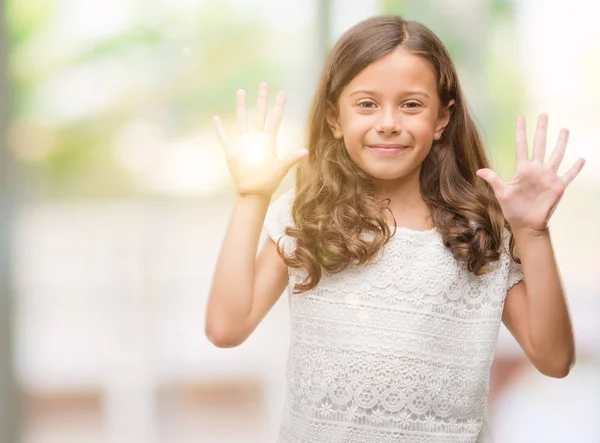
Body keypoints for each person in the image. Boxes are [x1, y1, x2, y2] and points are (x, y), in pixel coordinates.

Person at [205, 15, 584, 443]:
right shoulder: (306, 217)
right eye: (366, 104)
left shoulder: (480, 229)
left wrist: (533, 233)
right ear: (335, 117)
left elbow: (554, 359)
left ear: (442, 118)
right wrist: (251, 198)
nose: (388, 122)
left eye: (411, 104)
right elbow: (226, 327)